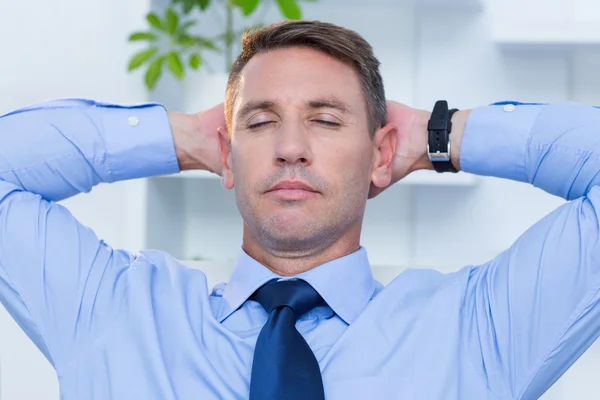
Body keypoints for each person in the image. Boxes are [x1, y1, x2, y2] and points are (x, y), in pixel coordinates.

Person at [0, 19, 599, 400]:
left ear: (380, 153)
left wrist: (439, 134)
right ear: (226, 155)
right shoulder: (114, 314)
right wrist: (181, 136)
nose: (289, 147)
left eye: (326, 120)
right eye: (260, 123)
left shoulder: (480, 330)